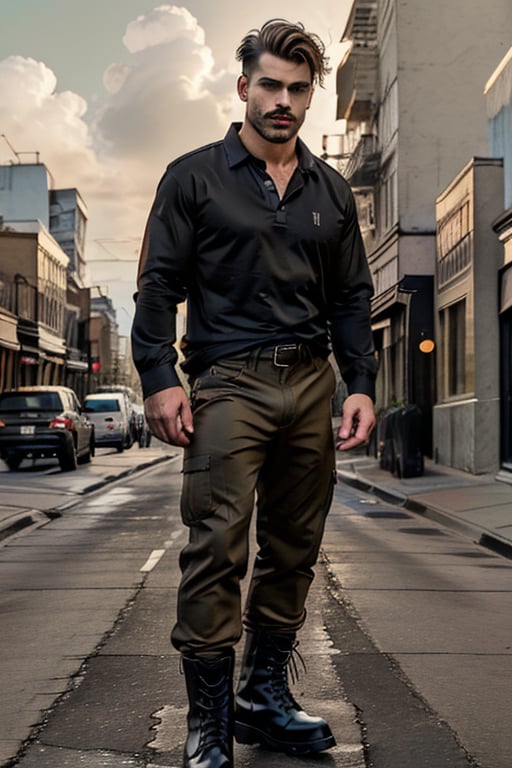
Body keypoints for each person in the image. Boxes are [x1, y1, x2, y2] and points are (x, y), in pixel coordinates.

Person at [131, 18, 377, 768]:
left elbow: (351, 298)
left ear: (311, 98)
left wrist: (360, 384)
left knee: (294, 548)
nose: (283, 100)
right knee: (216, 546)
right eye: (269, 84)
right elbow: (158, 285)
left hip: (311, 383)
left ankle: (262, 696)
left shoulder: (330, 191)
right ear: (243, 87)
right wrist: (156, 378)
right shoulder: (193, 177)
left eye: (298, 89)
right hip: (227, 381)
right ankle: (208, 722)